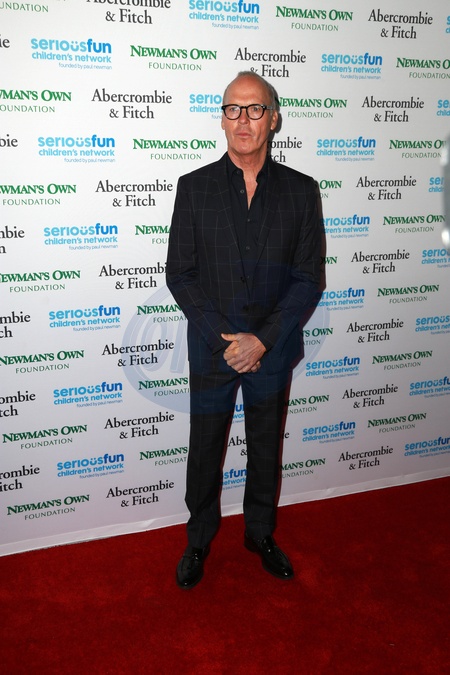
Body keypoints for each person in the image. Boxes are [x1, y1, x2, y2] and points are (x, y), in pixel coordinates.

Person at [166, 71, 321, 589]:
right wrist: (226, 341)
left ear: (273, 119)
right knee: (205, 449)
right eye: (233, 109)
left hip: (271, 350)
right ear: (222, 119)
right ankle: (198, 538)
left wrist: (263, 340)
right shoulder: (194, 188)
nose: (243, 120)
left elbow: (308, 278)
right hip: (214, 350)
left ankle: (260, 533)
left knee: (266, 447)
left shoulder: (302, 191)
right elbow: (180, 274)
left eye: (255, 109)